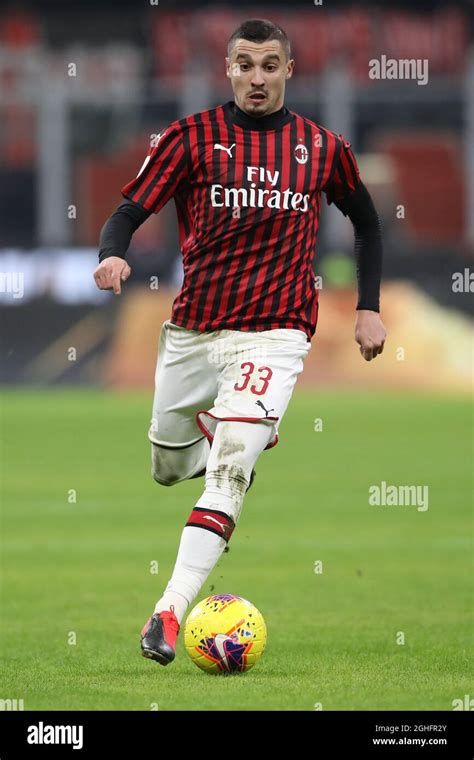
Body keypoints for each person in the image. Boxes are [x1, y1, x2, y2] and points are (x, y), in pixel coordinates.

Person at [93, 18, 386, 666]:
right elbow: (128, 211)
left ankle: (167, 613)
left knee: (229, 473)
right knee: (168, 470)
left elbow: (367, 222)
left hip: (276, 337)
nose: (258, 77)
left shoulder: (320, 146)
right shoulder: (190, 137)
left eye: (270, 65)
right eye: (246, 64)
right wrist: (113, 256)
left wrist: (367, 308)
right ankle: (224, 430)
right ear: (228, 69)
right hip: (195, 334)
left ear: (289, 71)